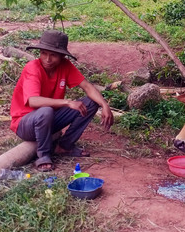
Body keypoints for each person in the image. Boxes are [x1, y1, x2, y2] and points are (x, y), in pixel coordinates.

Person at [10, 30, 113, 171]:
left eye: (53, 55)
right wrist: (67, 102)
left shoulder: (65, 66)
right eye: (44, 53)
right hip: (25, 124)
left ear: (62, 56)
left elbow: (88, 87)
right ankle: (44, 155)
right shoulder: (33, 68)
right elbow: (33, 101)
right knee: (46, 110)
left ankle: (64, 146)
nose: (47, 59)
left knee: (90, 102)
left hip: (49, 119)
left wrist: (104, 104)